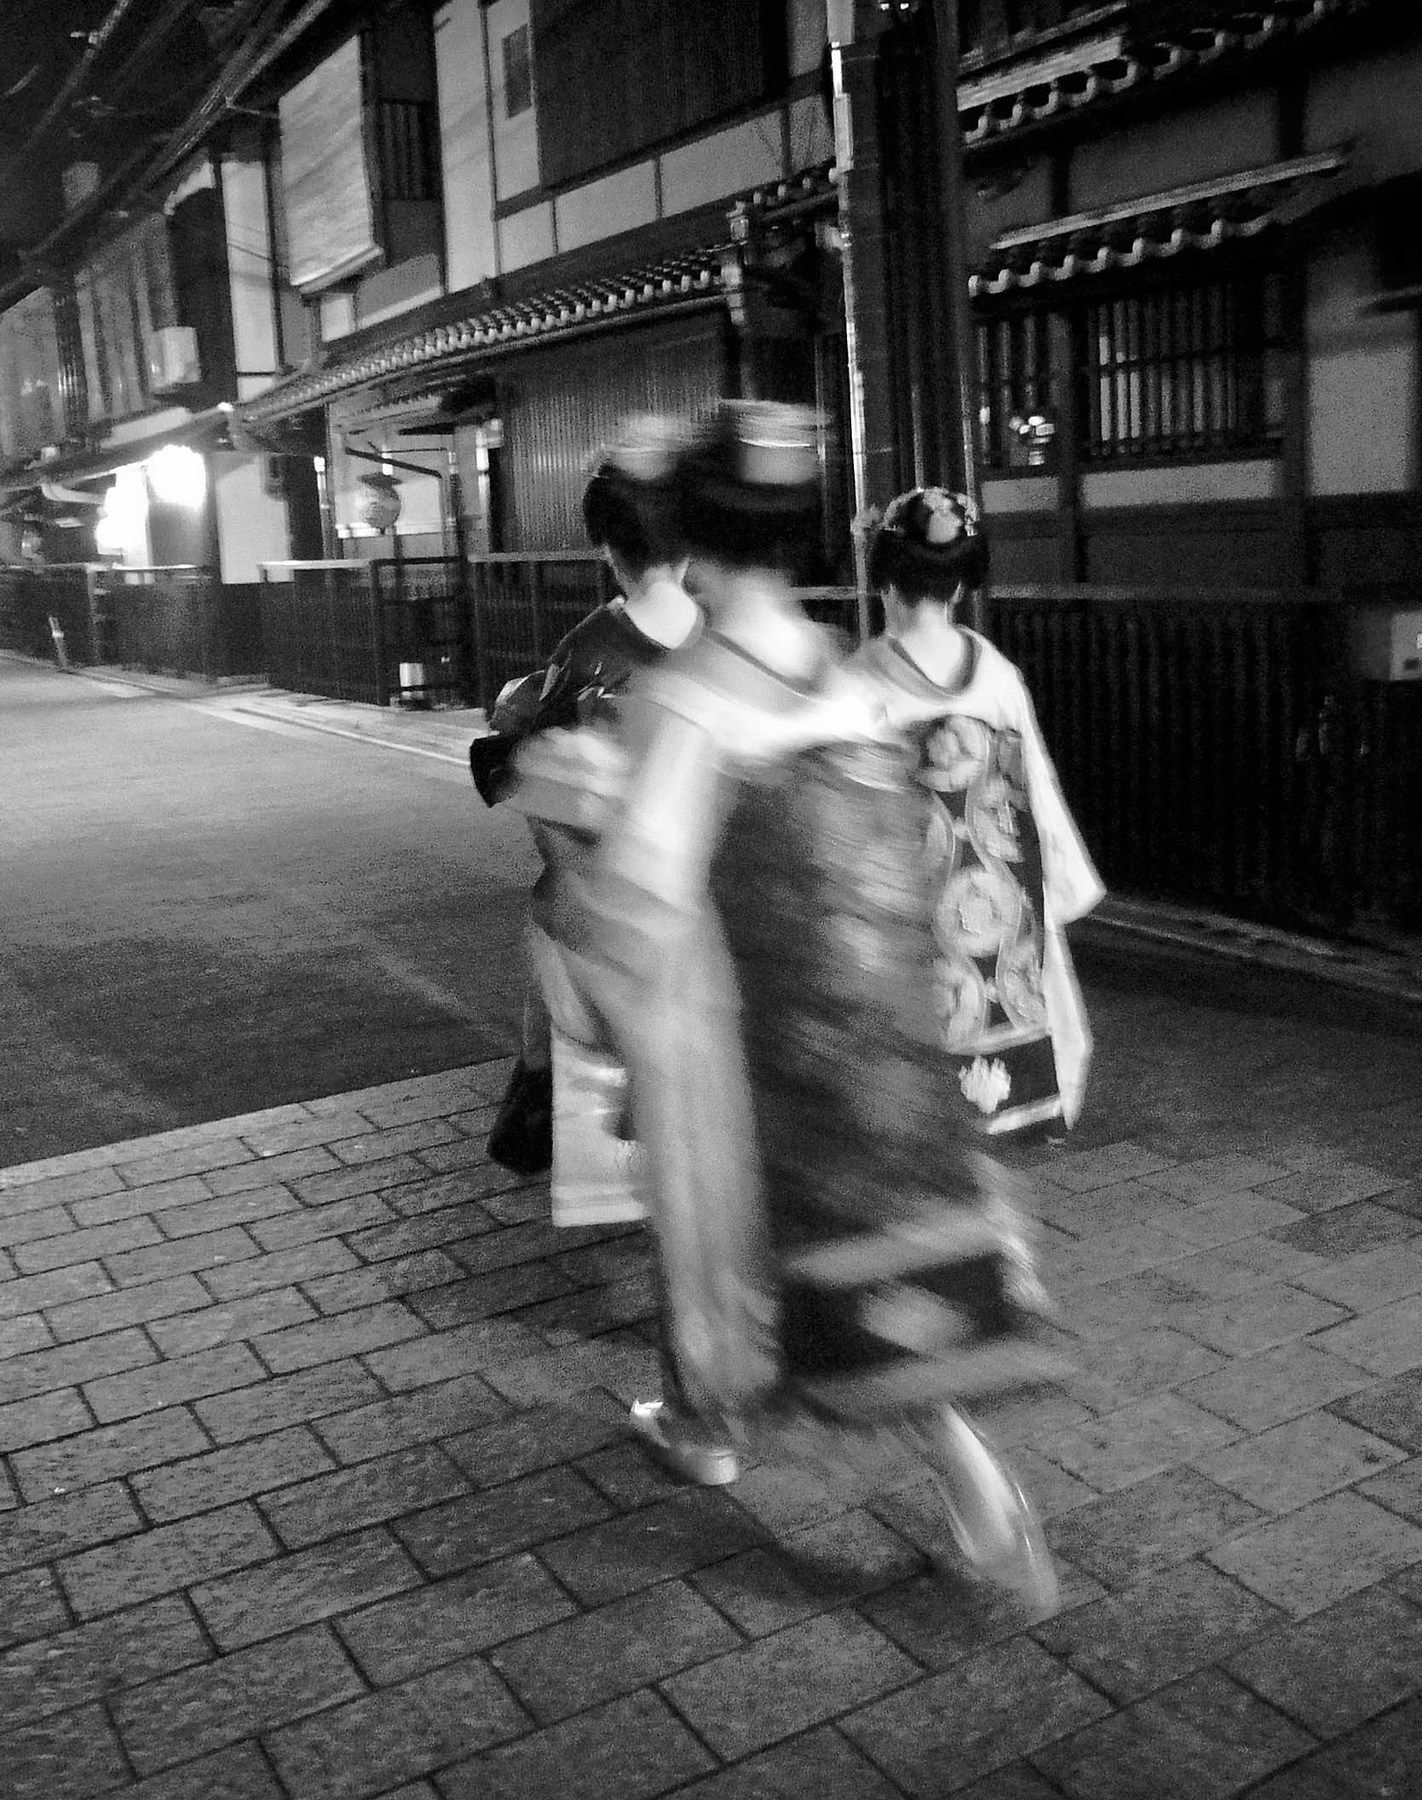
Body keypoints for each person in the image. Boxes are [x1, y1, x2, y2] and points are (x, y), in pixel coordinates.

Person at [535, 402, 1062, 1612]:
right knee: (886, 1274)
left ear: (694, 543)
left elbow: (641, 900)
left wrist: (580, 814)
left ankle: (707, 1421)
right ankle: (982, 1502)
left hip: (758, 1050)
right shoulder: (846, 667)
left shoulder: (688, 699)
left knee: (739, 1252)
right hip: (880, 1037)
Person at [470, 423, 699, 1177]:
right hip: (701, 891)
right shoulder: (719, 643)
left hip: (601, 891)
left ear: (608, 546)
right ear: (690, 545)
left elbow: (532, 769)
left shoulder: (587, 652)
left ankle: (547, 1099)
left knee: (567, 988)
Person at [850, 487, 1104, 1143]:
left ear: (883, 579)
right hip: (999, 890)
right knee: (1009, 997)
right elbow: (1036, 788)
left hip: (913, 890)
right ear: (963, 582)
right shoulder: (996, 673)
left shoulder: (860, 681)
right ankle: (1021, 1106)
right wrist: (1057, 885)